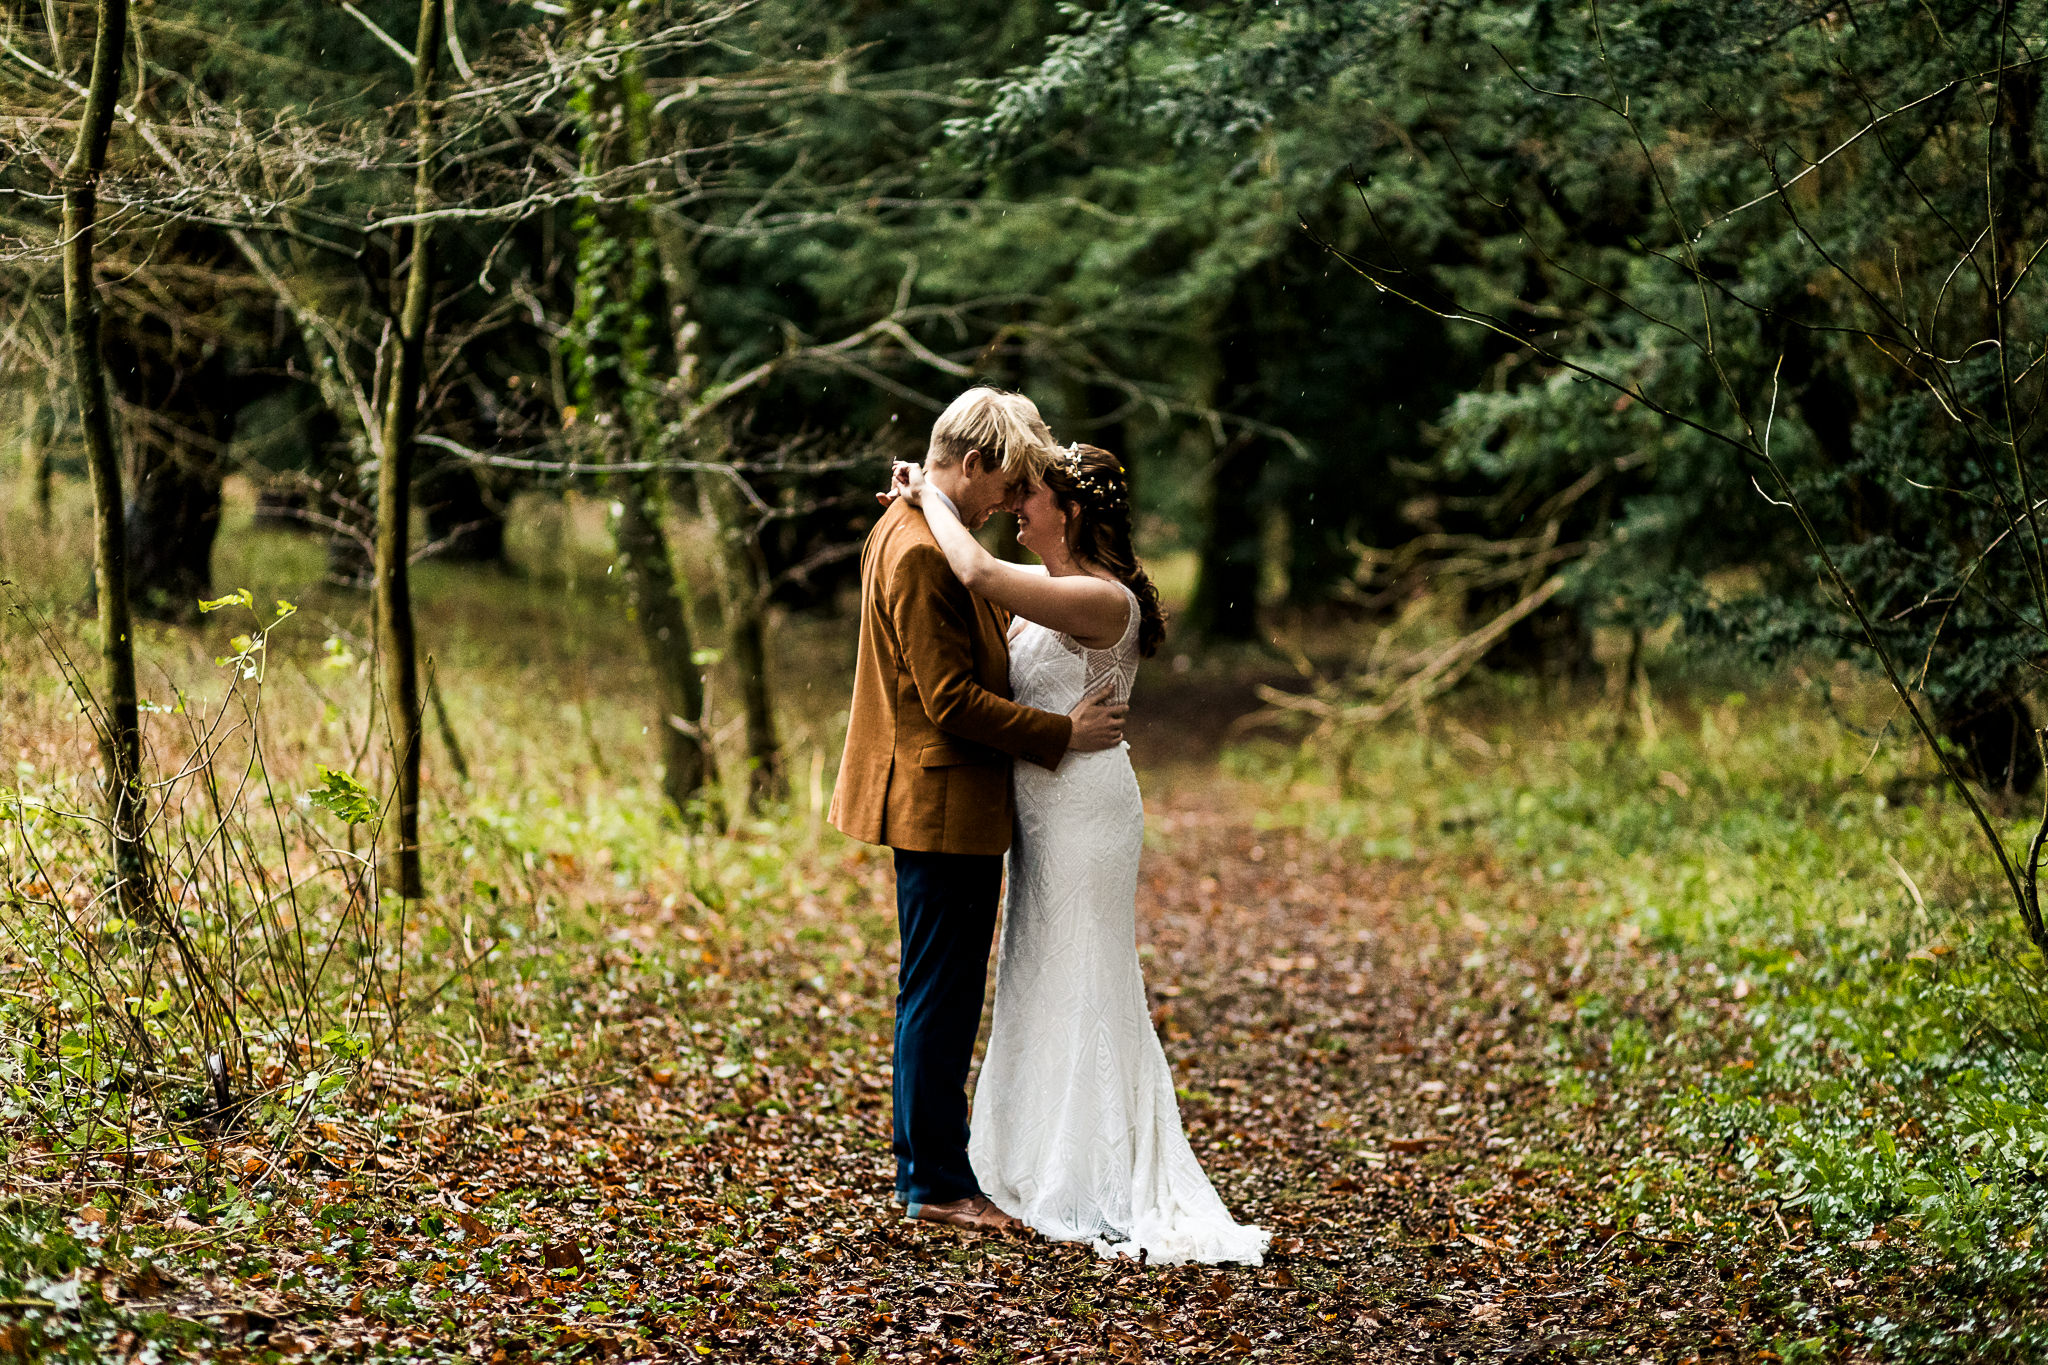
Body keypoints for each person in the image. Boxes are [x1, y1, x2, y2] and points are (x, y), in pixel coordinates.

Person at [890, 443, 1269, 1266]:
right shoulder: (1056, 594)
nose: (1017, 507)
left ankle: (1096, 1169)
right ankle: (1031, 1156)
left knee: (1088, 974)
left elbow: (980, 578)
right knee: (1036, 975)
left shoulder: (1103, 600)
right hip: (1040, 814)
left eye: (1030, 497)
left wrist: (935, 500)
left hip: (1087, 814)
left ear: (1071, 511)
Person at [828, 389, 1129, 1232]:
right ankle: (934, 1182)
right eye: (1003, 485)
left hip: (942, 795)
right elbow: (952, 698)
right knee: (942, 993)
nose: (1007, 502)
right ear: (970, 465)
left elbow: (988, 618)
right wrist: (1062, 731)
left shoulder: (911, 527)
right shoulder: (922, 551)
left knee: (933, 988)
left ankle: (928, 1166)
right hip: (943, 797)